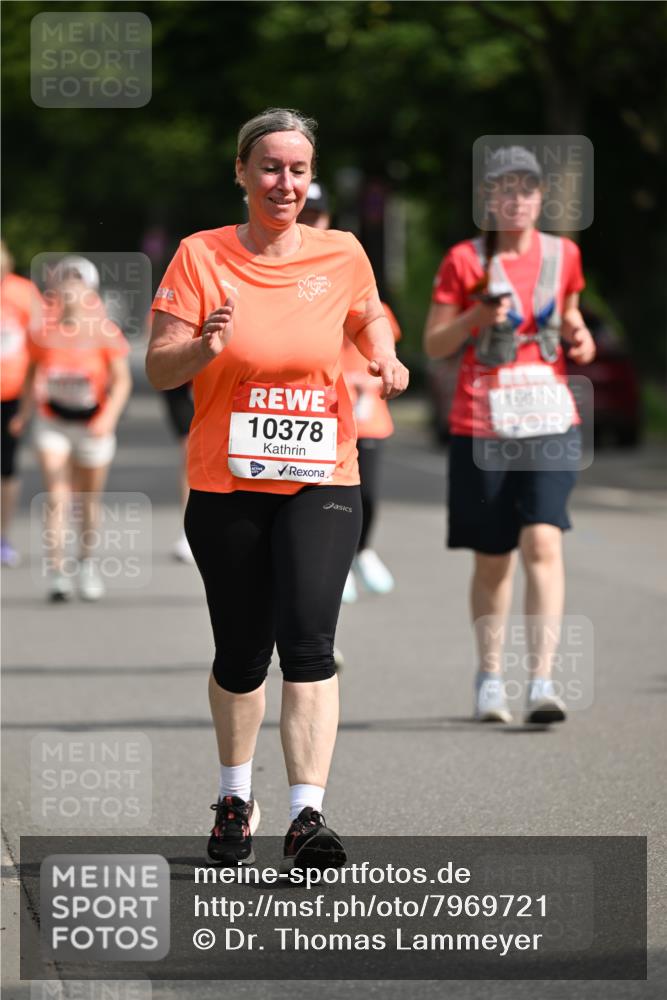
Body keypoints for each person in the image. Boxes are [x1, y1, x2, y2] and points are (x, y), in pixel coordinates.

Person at [146, 108, 408, 869]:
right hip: (226, 482)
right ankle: (234, 797)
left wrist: (385, 361)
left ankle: (305, 816)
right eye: (268, 168)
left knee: (308, 643)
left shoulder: (343, 252)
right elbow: (159, 368)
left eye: (297, 170)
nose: (283, 183)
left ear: (309, 178)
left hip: (322, 475)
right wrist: (203, 344)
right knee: (240, 654)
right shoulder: (200, 256)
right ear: (240, 173)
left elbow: (367, 318)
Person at [423, 146, 595, 725]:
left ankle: (542, 681)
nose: (516, 199)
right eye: (505, 189)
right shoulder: (464, 260)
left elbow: (569, 315)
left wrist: (579, 334)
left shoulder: (563, 254)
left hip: (548, 418)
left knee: (544, 541)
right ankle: (490, 676)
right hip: (482, 422)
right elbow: (433, 345)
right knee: (494, 559)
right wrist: (474, 319)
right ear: (488, 200)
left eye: (527, 189)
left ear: (541, 197)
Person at [298, 182, 400, 603]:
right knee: (320, 502)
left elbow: (380, 331)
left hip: (365, 413)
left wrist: (385, 363)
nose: (310, 222)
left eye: (317, 214)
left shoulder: (345, 265)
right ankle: (334, 565)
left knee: (367, 496)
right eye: (305, 213)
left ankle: (362, 550)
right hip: (312, 412)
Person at [9, 256, 132, 601]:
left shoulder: (105, 331)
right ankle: (58, 572)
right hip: (53, 421)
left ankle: (87, 564)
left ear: (90, 290)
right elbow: (32, 371)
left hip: (93, 422)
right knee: (58, 495)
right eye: (64, 283)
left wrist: (109, 418)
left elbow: (121, 382)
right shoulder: (43, 331)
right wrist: (24, 412)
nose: (70, 290)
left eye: (77, 283)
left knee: (88, 500)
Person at [0, 241, 43, 566]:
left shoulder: (23, 292)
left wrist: (33, 401)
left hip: (10, 394)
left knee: (6, 469)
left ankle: (2, 537)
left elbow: (43, 343)